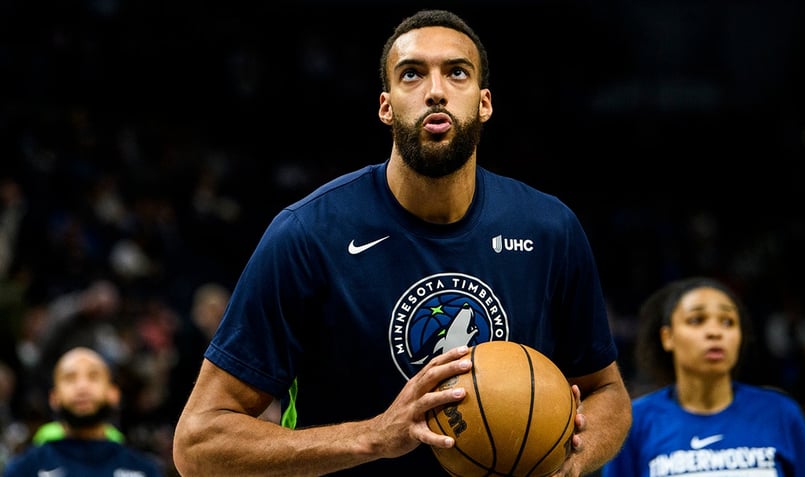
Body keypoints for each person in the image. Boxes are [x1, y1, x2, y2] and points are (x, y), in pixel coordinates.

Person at [173, 8, 631, 476]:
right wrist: (372, 436)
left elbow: (607, 393)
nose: (435, 90)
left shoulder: (549, 228)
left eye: (457, 72)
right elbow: (199, 442)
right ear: (386, 106)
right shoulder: (308, 235)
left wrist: (569, 462)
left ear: (484, 102)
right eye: (412, 74)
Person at [602, 276, 805, 476]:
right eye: (697, 320)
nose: (715, 332)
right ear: (667, 337)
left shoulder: (781, 413)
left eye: (728, 322)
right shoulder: (636, 422)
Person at [3, 346, 164, 477]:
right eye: (70, 378)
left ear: (113, 394)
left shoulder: (144, 470)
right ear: (54, 397)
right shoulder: (24, 470)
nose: (82, 387)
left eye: (93, 377)